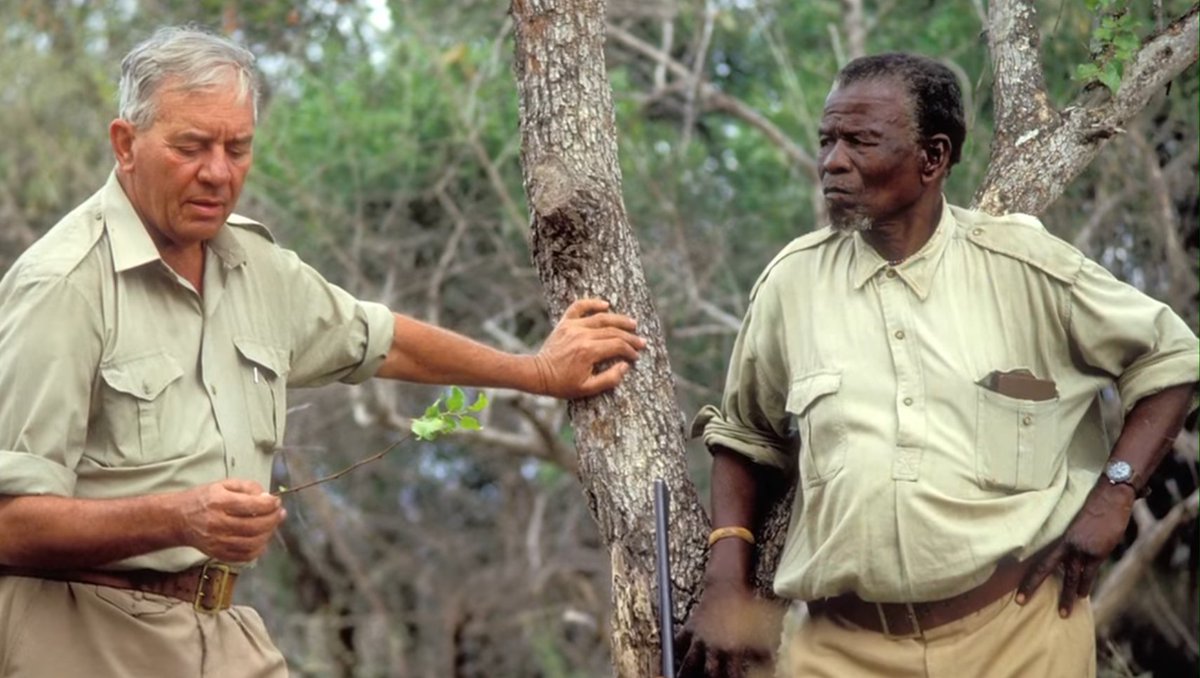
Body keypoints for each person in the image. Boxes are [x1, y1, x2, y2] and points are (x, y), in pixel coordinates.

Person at [0, 26, 646, 677]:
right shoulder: (63, 283)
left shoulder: (253, 265)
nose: (218, 173)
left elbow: (383, 341)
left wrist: (537, 372)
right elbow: (9, 525)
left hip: (220, 628)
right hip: (80, 635)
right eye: (190, 147)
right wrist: (175, 518)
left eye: (238, 148)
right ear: (125, 144)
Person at [679, 52, 1198, 678]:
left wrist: (1114, 494)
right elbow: (744, 436)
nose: (832, 162)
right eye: (826, 140)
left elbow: (1172, 355)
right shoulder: (794, 283)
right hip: (842, 650)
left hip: (1021, 638)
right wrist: (725, 574)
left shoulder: (1024, 267)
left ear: (933, 158)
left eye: (860, 141)